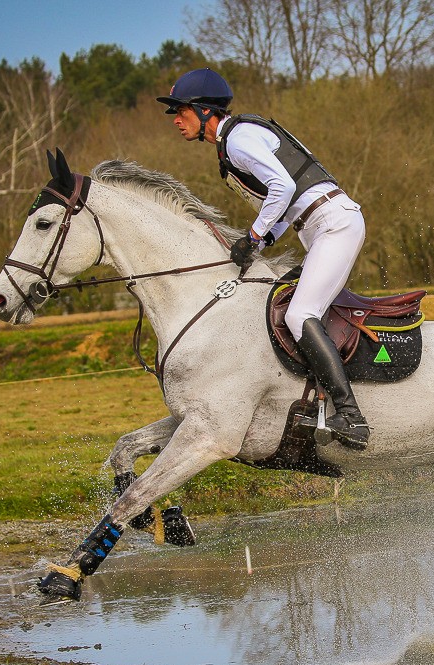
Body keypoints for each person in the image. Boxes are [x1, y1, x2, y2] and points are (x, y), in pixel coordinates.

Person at [156, 68, 370, 450]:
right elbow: (288, 199)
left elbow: (282, 187)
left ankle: (351, 415)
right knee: (288, 303)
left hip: (333, 224)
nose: (175, 119)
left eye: (181, 110)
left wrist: (254, 234)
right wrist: (261, 240)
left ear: (205, 111)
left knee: (298, 314)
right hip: (320, 224)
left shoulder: (237, 140)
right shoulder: (236, 139)